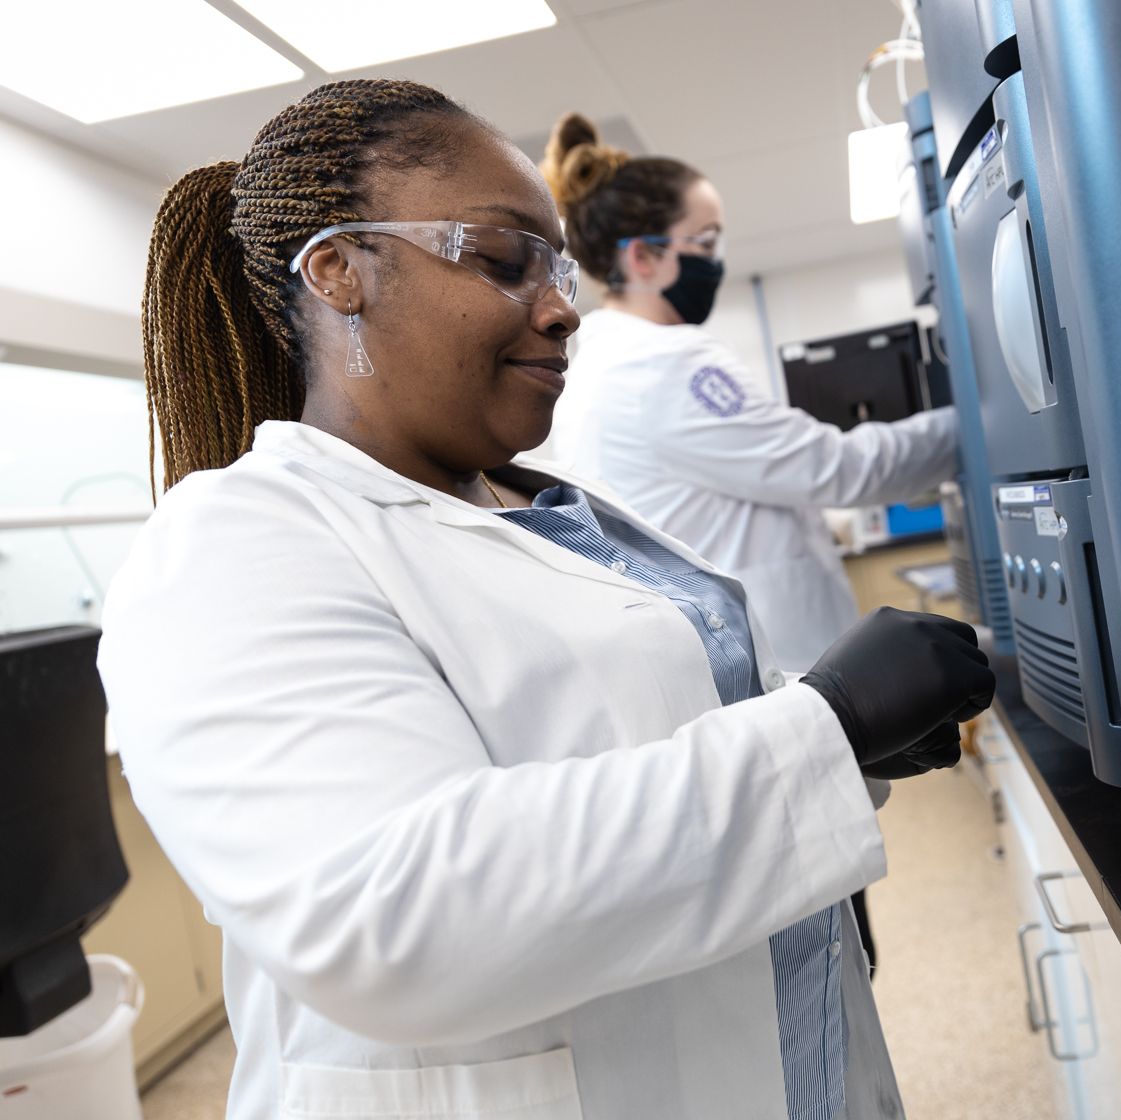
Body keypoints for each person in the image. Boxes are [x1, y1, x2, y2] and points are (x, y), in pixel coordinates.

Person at [98, 79, 994, 1120]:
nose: (563, 305)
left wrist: (840, 733)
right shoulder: (231, 543)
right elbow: (394, 915)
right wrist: (819, 730)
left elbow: (606, 729)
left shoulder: (542, 507)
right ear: (338, 271)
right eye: (502, 257)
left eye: (558, 265)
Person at [541, 113, 961, 675]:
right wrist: (978, 424)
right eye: (706, 241)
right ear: (642, 257)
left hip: (733, 669)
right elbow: (838, 469)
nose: (716, 261)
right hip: (780, 672)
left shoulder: (602, 365)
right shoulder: (664, 364)